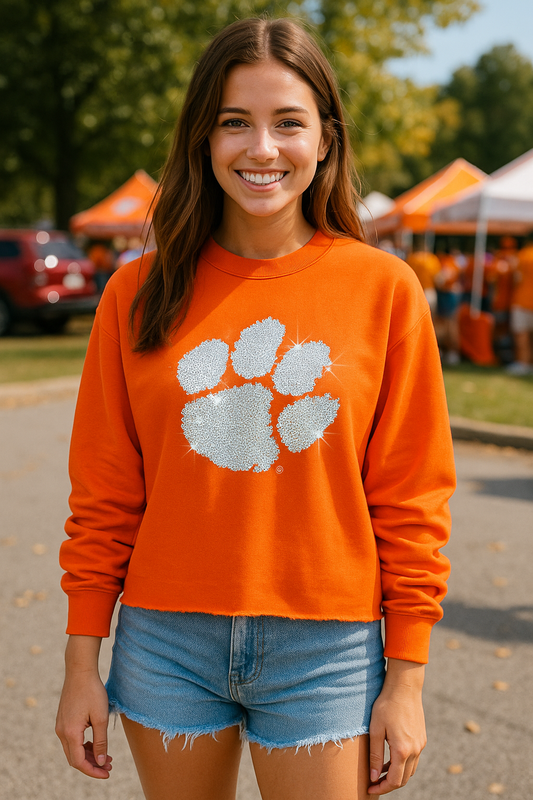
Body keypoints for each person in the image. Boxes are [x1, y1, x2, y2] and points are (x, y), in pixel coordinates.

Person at [55, 17, 455, 800]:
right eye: (234, 123)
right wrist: (80, 666)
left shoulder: (384, 291)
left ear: (326, 140)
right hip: (165, 640)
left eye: (287, 123)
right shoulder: (135, 294)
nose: (261, 148)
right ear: (202, 139)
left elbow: (412, 499)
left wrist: (404, 680)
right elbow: (102, 495)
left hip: (327, 647)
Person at [507, 237, 533, 375]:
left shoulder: (522, 255)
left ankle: (523, 364)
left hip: (522, 301)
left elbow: (516, 278)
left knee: (521, 335)